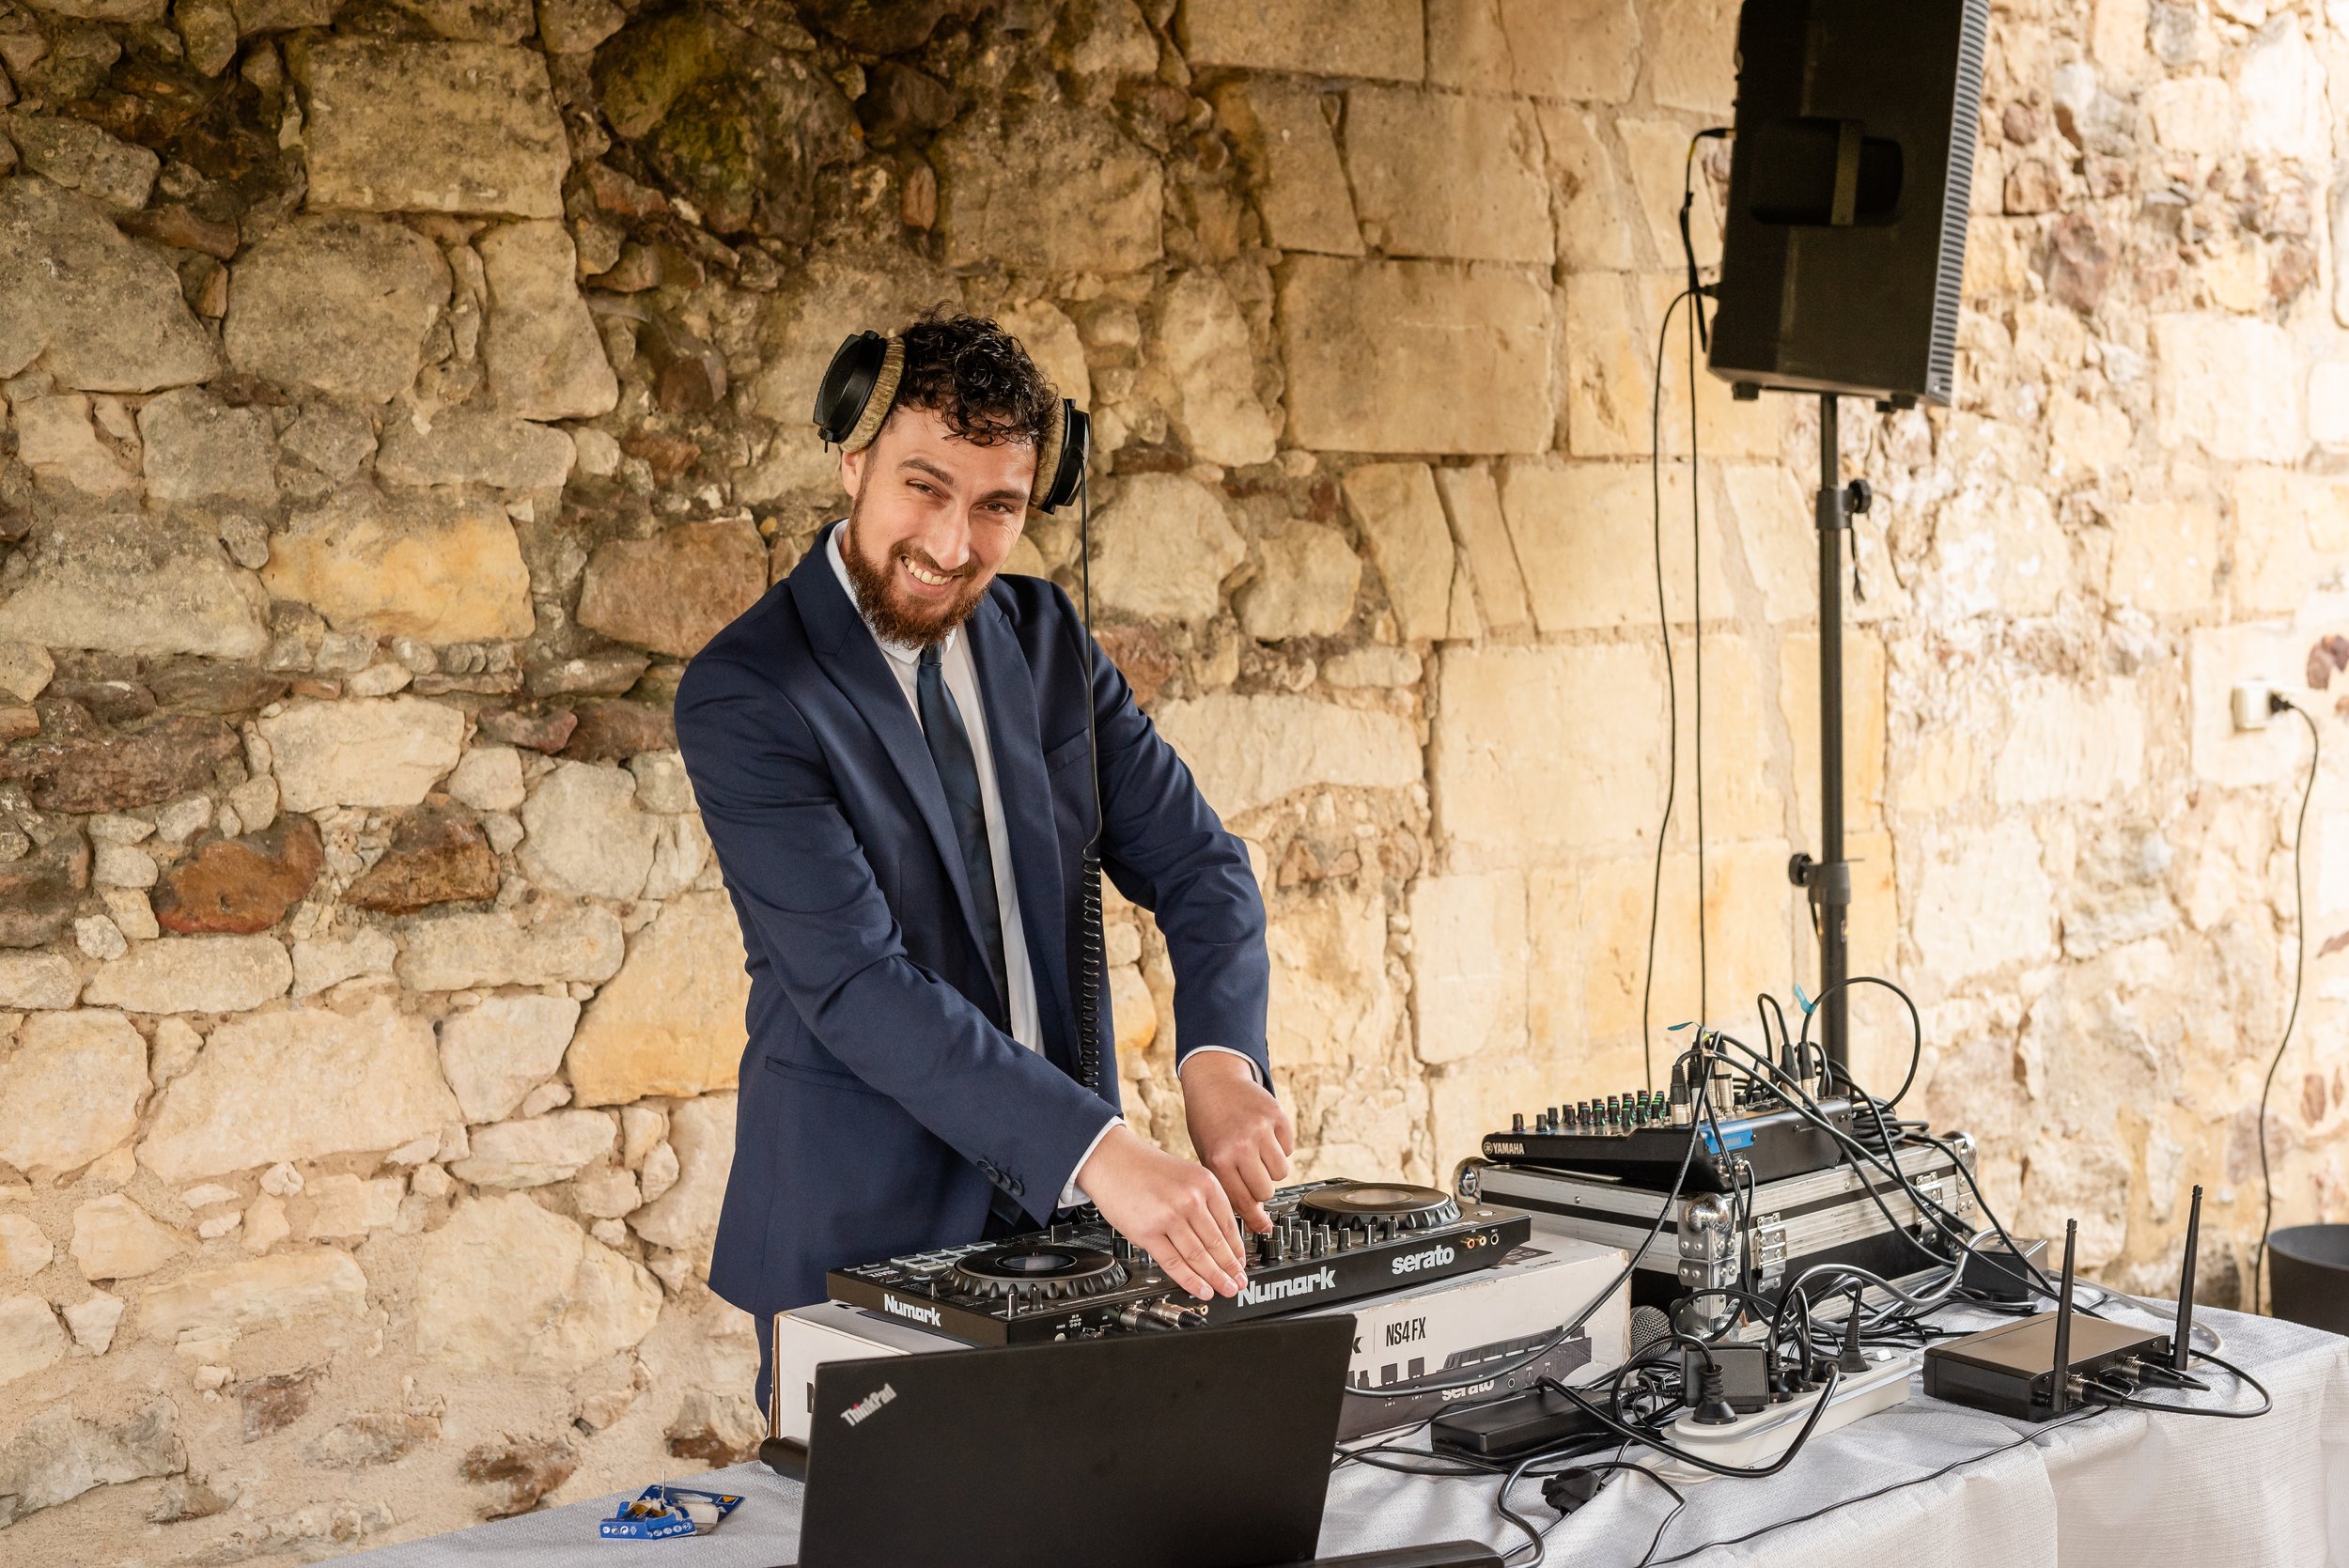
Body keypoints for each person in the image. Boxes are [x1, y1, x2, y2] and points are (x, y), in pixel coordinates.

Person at [674, 311, 1293, 1393]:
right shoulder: (747, 691)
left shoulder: (1047, 640)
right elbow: (858, 985)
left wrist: (1220, 1063)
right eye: (924, 486)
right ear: (852, 456)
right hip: (862, 1240)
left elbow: (1201, 867)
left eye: (996, 505)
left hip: (1065, 1226)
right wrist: (1107, 1155)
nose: (951, 545)